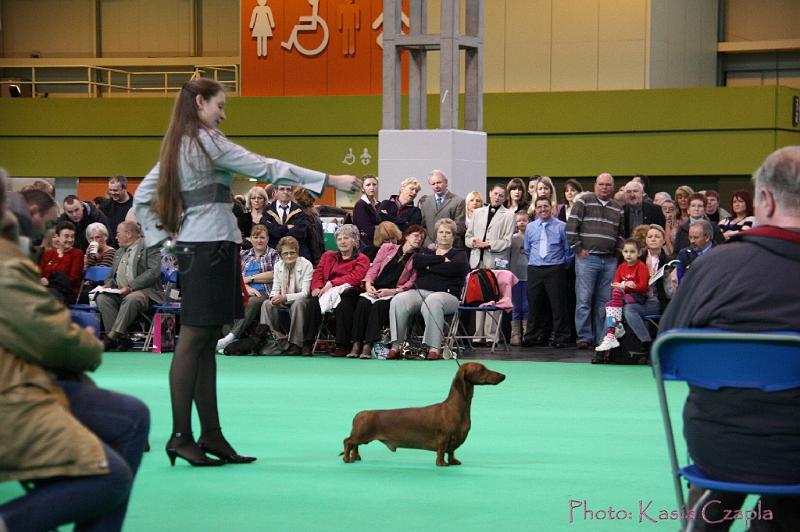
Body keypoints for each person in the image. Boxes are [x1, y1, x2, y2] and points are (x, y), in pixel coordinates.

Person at [133, 77, 359, 466]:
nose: (223, 113)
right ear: (201, 102)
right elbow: (266, 167)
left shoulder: (178, 144)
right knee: (193, 343)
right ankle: (181, 436)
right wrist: (330, 180)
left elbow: (141, 197)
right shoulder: (205, 141)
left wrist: (164, 243)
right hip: (209, 251)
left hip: (206, 249)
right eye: (219, 106)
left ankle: (209, 435)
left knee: (203, 345)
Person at [659, 145, 800, 530]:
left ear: (766, 199)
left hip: (717, 446)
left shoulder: (713, 267)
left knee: (714, 487)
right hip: (795, 454)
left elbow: (666, 349)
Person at [0, 170, 150, 532]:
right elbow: (51, 336)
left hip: (27, 376)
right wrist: (89, 342)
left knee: (133, 417)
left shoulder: (12, 254)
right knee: (111, 477)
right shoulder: (6, 263)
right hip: (13, 392)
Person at [388, 218, 469, 360]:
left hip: (448, 296)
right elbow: (417, 261)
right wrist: (442, 260)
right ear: (436, 234)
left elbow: (456, 269)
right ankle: (396, 346)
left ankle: (433, 348)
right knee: (398, 299)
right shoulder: (426, 252)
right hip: (421, 292)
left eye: (448, 232)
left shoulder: (459, 254)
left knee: (433, 300)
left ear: (453, 236)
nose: (444, 235)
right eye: (441, 232)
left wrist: (429, 266)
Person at [348, 225, 425, 358]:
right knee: (362, 303)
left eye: (421, 238)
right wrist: (368, 283)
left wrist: (393, 291)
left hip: (392, 293)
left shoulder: (418, 258)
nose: (419, 239)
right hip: (375, 288)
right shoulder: (387, 248)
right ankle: (356, 344)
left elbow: (411, 282)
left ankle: (368, 345)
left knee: (379, 306)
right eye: (416, 235)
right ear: (407, 236)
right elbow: (375, 268)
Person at [567, 172, 624, 349]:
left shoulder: (618, 207)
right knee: (584, 300)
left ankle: (602, 338)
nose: (604, 187)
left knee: (605, 302)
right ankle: (584, 337)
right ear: (595, 185)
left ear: (613, 187)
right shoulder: (583, 201)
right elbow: (571, 228)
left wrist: (616, 251)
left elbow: (621, 233)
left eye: (608, 185)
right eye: (601, 184)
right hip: (587, 259)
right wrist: (578, 249)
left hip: (609, 260)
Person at [97, 221, 164, 352]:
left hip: (145, 292)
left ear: (128, 234)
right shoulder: (118, 252)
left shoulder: (149, 246)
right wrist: (108, 285)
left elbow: (153, 272)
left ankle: (111, 337)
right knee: (102, 298)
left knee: (132, 298)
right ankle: (122, 339)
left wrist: (131, 287)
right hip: (120, 291)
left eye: (117, 234)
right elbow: (111, 275)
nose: (115, 237)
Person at [304, 224, 369, 356]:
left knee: (344, 302)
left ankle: (342, 344)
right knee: (313, 302)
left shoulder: (362, 258)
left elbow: (356, 277)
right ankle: (307, 343)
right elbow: (319, 272)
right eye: (339, 239)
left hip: (349, 291)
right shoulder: (328, 255)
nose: (342, 242)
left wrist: (332, 283)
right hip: (326, 290)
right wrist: (316, 287)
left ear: (354, 241)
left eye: (346, 238)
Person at [215, 224, 278, 352]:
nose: (259, 240)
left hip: (263, 292)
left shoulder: (273, 254)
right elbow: (235, 275)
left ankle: (230, 338)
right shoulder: (243, 254)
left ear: (267, 239)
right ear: (250, 239)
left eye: (262, 237)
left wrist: (250, 279)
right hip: (242, 291)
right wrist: (247, 288)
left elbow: (274, 274)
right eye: (255, 237)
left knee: (253, 301)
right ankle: (231, 342)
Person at [465, 184, 515, 342]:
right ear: (490, 194)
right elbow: (468, 237)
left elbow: (507, 241)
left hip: (495, 261)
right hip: (477, 261)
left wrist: (488, 244)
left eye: (501, 195)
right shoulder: (478, 213)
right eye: (495, 194)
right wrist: (475, 242)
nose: (497, 197)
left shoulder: (509, 214)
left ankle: (491, 336)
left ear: (505, 198)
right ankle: (478, 336)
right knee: (479, 296)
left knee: (493, 297)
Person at [522, 197, 573, 349]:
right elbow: (527, 249)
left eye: (545, 206)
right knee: (535, 304)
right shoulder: (530, 227)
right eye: (539, 207)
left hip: (555, 268)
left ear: (551, 208)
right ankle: (532, 336)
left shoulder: (561, 226)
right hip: (535, 268)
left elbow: (568, 250)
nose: (542, 209)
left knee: (558, 305)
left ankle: (561, 337)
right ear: (535, 209)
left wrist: (561, 265)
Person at [259, 236, 314, 355]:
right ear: (281, 255)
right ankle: (275, 341)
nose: (289, 256)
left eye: (292, 253)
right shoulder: (278, 265)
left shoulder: (306, 264)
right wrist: (273, 297)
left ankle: (296, 344)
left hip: (301, 300)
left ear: (297, 252)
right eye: (285, 253)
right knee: (267, 304)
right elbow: (275, 289)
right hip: (284, 299)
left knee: (298, 304)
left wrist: (285, 297)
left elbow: (305, 293)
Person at [595, 238, 650, 353]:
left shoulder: (641, 266)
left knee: (610, 305)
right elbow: (614, 284)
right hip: (624, 296)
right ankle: (615, 329)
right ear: (622, 252)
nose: (628, 254)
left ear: (639, 253)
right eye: (626, 252)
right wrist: (625, 285)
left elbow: (644, 287)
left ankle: (612, 331)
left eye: (632, 252)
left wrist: (627, 286)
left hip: (638, 297)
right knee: (612, 305)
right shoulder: (621, 267)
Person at [263, 183, 313, 262]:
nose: (285, 192)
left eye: (288, 189)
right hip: (273, 255)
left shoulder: (300, 211)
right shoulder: (266, 210)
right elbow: (268, 231)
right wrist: (286, 228)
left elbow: (300, 233)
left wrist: (277, 231)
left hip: (295, 255)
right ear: (275, 192)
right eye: (282, 189)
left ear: (292, 192)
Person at [417, 170, 466, 249]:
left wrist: (443, 243)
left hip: (450, 249)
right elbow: (422, 227)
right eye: (433, 184)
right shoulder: (425, 202)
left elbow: (459, 228)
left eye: (439, 182)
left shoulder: (458, 201)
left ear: (446, 182)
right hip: (429, 250)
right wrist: (428, 244)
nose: (436, 186)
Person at [39, 220, 84, 305]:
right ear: (57, 236)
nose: (70, 240)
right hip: (46, 289)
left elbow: (73, 279)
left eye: (72, 236)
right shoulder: (49, 253)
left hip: (67, 293)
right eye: (66, 236)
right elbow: (40, 273)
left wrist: (48, 280)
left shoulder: (77, 253)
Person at [509, 210, 529, 346]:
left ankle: (527, 333)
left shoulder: (532, 236)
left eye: (524, 220)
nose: (521, 223)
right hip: (515, 275)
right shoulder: (512, 239)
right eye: (519, 220)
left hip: (529, 275)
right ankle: (515, 334)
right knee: (516, 306)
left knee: (527, 306)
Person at [676, 219, 716, 283]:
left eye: (696, 237)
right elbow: (681, 282)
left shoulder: (720, 254)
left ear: (707, 238)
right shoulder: (684, 254)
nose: (692, 241)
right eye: (690, 237)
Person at [101, 175, 134, 239]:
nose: (112, 193)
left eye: (115, 190)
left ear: (124, 188)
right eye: (110, 190)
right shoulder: (105, 206)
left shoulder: (135, 206)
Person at [352, 174, 380, 250]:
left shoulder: (379, 204)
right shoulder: (360, 205)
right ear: (362, 188)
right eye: (368, 185)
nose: (372, 187)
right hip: (366, 247)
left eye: (374, 184)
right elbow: (368, 230)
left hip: (378, 245)